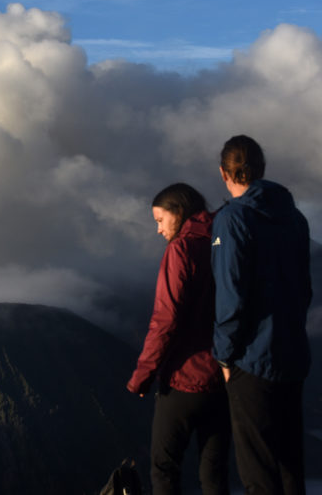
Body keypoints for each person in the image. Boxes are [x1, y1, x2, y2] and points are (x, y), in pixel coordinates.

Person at [212, 135, 312, 495]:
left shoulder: (231, 220)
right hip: (292, 353)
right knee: (290, 464)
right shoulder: (295, 219)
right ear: (262, 169)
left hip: (251, 359)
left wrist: (224, 355)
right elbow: (305, 289)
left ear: (223, 173)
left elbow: (231, 297)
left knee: (258, 471)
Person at [128, 183, 230, 495]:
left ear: (178, 211)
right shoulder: (225, 238)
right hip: (226, 375)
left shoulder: (181, 250)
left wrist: (142, 376)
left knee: (164, 468)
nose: (158, 230)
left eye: (160, 220)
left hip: (185, 379)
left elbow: (165, 319)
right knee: (214, 472)